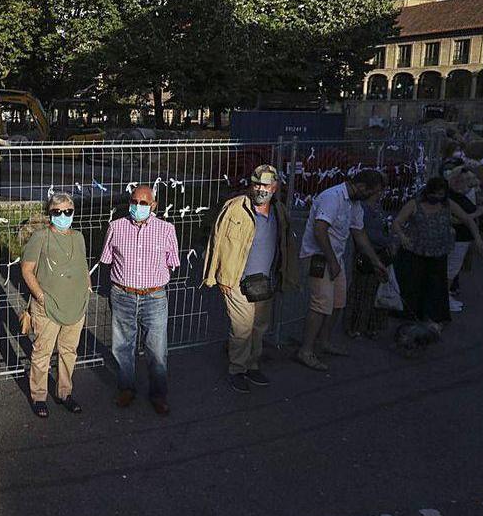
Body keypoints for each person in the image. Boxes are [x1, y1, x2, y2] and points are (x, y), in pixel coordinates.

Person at [202, 165, 296, 394]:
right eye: (256, 184)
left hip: (265, 281)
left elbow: (285, 245)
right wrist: (219, 276)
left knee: (260, 327)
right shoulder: (235, 208)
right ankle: (237, 370)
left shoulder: (279, 211)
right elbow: (218, 241)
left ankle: (252, 365)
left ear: (275, 187)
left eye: (265, 185)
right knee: (242, 328)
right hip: (236, 280)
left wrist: (285, 274)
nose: (260, 189)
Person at [297, 170, 389, 371]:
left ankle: (324, 341)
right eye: (373, 192)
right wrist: (332, 260)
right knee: (320, 304)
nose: (375, 197)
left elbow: (359, 232)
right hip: (319, 257)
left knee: (338, 302)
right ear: (363, 187)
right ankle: (306, 350)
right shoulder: (333, 197)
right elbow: (320, 229)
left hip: (333, 258)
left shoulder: (354, 203)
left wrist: (376, 262)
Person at [99, 185, 180, 414]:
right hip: (123, 294)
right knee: (122, 347)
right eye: (134, 202)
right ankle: (126, 389)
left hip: (154, 296)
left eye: (144, 203)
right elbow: (107, 259)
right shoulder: (116, 227)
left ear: (153, 205)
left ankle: (158, 394)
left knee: (156, 349)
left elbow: (172, 262)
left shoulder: (166, 230)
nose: (138, 207)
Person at [20, 192, 90, 415]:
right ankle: (39, 396)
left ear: (73, 212)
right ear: (50, 214)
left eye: (67, 211)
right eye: (57, 212)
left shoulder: (78, 237)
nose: (63, 216)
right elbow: (27, 270)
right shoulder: (40, 237)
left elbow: (83, 264)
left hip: (76, 305)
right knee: (42, 352)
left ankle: (64, 392)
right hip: (47, 306)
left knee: (69, 351)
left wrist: (87, 287)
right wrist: (40, 296)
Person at [392, 177, 483, 327]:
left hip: (437, 253)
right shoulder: (414, 204)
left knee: (435, 285)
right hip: (415, 252)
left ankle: (432, 316)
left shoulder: (448, 205)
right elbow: (397, 222)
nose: (437, 198)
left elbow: (468, 220)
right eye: (434, 194)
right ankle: (411, 314)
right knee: (413, 284)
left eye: (440, 195)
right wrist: (402, 236)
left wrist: (478, 238)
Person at [445, 166, 483, 311]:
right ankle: (444, 299)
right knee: (451, 270)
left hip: (462, 239)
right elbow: (458, 220)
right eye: (468, 182)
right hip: (458, 239)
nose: (471, 186)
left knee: (453, 269)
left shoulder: (458, 196)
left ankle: (446, 297)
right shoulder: (452, 197)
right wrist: (480, 212)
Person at [346, 195, 393, 340]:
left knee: (375, 292)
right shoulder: (361, 208)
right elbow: (362, 233)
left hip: (380, 252)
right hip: (365, 254)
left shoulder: (379, 208)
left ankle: (371, 326)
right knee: (360, 291)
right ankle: (355, 326)